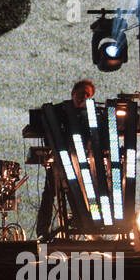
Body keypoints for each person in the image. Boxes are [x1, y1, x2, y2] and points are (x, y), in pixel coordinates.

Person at [35, 79, 95, 239]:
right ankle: (42, 232)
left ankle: (85, 228)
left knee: (80, 193)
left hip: (79, 162)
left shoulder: (89, 115)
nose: (84, 97)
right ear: (73, 93)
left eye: (88, 95)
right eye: (82, 93)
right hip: (58, 160)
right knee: (50, 193)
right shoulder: (58, 110)